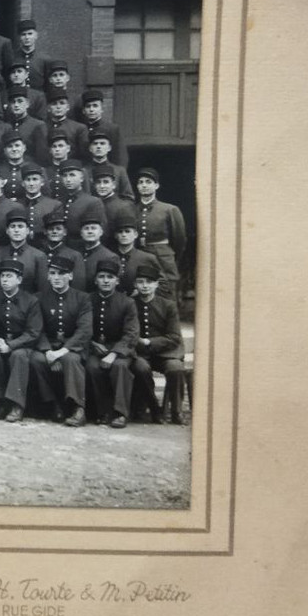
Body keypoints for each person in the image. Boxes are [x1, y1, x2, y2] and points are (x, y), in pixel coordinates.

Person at [31, 254, 93, 425]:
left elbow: (85, 330)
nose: (57, 277)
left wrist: (62, 351)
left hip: (71, 347)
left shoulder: (82, 298)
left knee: (71, 359)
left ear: (71, 276)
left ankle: (78, 408)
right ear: (48, 276)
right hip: (49, 346)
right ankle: (53, 405)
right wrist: (47, 351)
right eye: (53, 273)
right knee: (36, 359)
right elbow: (37, 328)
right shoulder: (39, 298)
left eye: (62, 273)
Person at [0, 259, 43, 422]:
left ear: (19, 280)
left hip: (23, 344)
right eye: (2, 276)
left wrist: (11, 345)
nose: (5, 280)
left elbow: (33, 332)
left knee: (18, 356)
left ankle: (17, 404)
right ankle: (1, 402)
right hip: (0, 342)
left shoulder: (31, 301)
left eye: (9, 276)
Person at [130, 264, 188, 424]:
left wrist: (149, 342)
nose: (145, 286)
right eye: (140, 282)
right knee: (140, 368)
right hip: (140, 353)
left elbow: (174, 336)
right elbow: (127, 331)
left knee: (175, 368)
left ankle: (177, 412)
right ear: (135, 284)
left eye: (149, 282)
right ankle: (154, 408)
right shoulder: (130, 304)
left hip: (166, 353)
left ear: (156, 284)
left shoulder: (168, 305)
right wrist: (138, 343)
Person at [85, 261, 140, 428]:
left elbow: (131, 333)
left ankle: (120, 413)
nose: (106, 281)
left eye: (110, 277)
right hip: (95, 348)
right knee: (92, 367)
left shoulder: (127, 302)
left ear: (117, 281)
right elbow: (81, 327)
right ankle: (103, 411)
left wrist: (114, 353)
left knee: (120, 367)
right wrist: (92, 343)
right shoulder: (88, 299)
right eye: (101, 277)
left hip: (121, 350)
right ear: (95, 280)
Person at [133, 168, 189, 299]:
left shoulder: (169, 209)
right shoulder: (132, 209)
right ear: (137, 186)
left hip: (163, 258)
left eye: (148, 182)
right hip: (141, 255)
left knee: (167, 293)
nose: (144, 185)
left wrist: (169, 255)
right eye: (141, 182)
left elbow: (179, 240)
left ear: (156, 186)